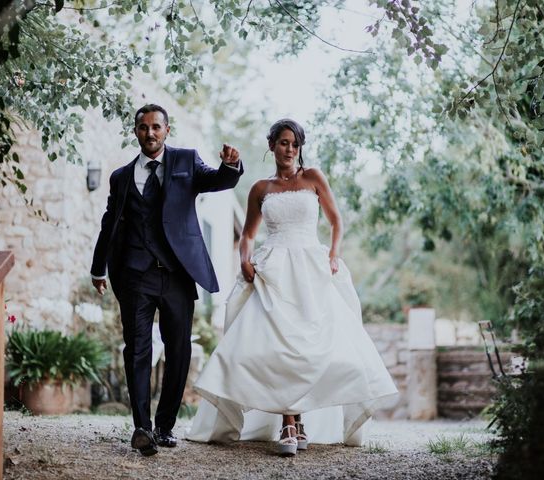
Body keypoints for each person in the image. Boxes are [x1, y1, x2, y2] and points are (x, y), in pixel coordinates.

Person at [186, 119, 397, 455]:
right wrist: (245, 259)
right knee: (274, 348)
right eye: (283, 143)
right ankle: (289, 422)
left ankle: (296, 421)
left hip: (311, 268)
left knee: (313, 348)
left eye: (295, 144)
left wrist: (333, 255)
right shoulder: (260, 188)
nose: (289, 150)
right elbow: (249, 235)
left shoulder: (313, 177)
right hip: (272, 271)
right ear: (271, 146)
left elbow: (336, 220)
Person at [90, 104, 243, 456]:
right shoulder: (120, 177)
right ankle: (142, 427)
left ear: (167, 130)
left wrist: (231, 165)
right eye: (143, 128)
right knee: (137, 350)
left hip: (176, 273)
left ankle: (165, 426)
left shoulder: (186, 162)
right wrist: (99, 268)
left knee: (179, 351)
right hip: (134, 275)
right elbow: (109, 223)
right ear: (136, 133)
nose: (150, 133)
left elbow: (218, 180)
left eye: (156, 127)